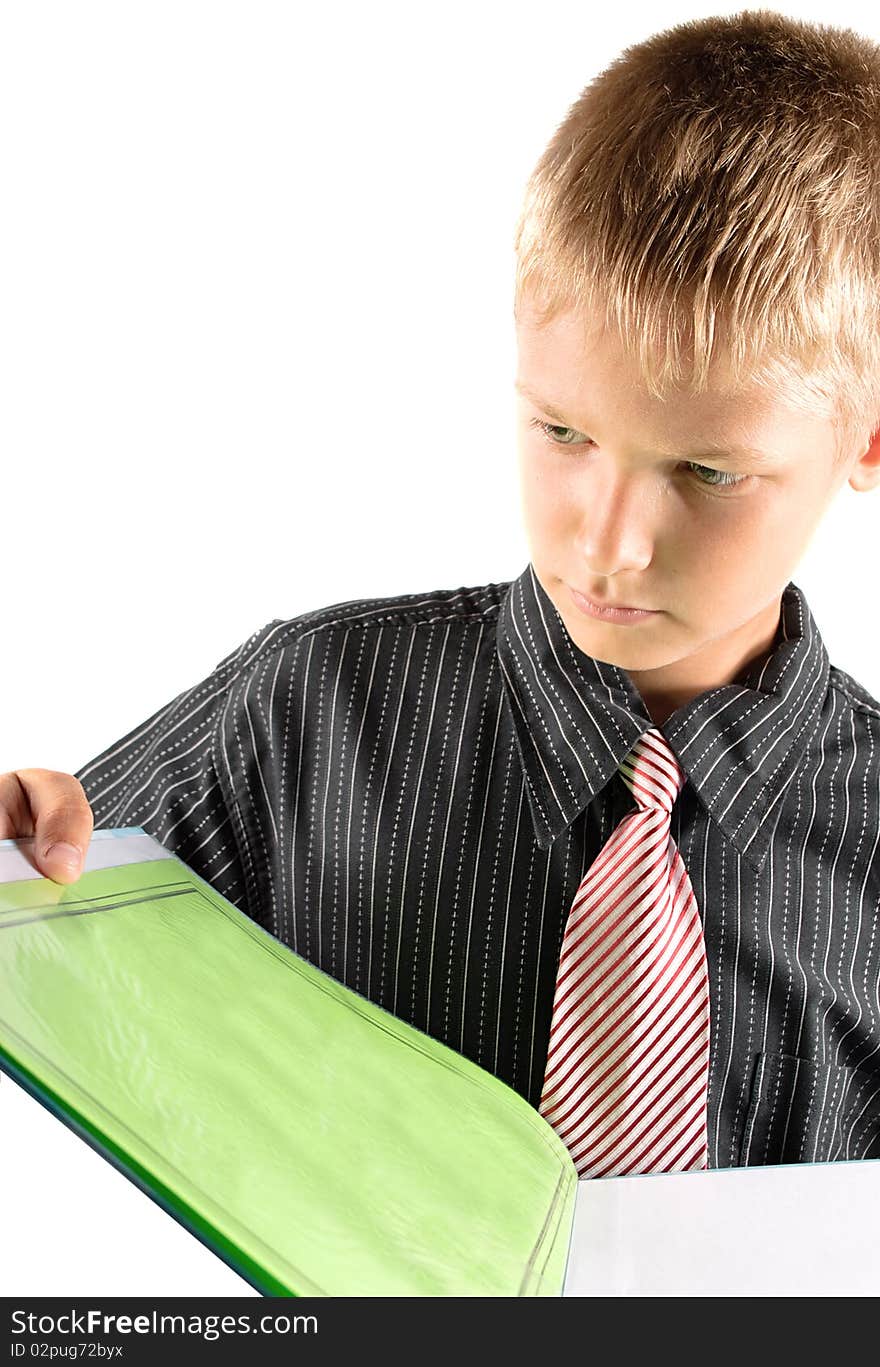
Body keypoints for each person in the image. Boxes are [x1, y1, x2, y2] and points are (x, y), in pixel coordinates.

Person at [4, 9, 880, 1172]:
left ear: (864, 443)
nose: (609, 544)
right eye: (561, 431)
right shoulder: (304, 713)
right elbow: (52, 994)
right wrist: (26, 858)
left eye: (708, 471)